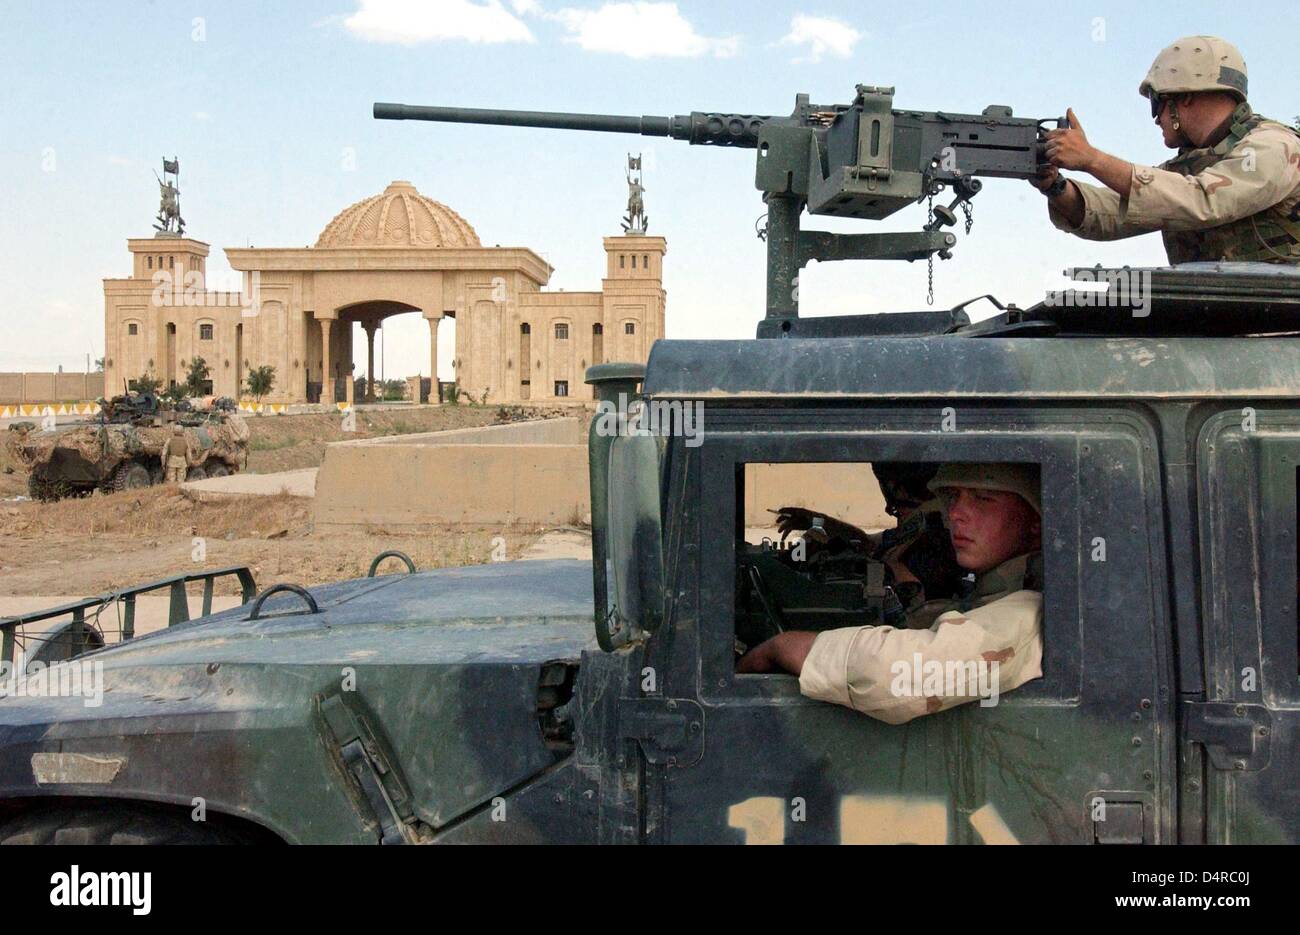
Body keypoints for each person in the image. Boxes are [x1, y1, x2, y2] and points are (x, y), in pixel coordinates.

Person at [739, 463, 1044, 724]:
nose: (956, 514)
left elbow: (894, 672)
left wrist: (780, 647)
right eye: (952, 497)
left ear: (1036, 522)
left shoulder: (1032, 610)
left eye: (983, 498)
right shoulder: (1002, 586)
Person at [1033, 36, 1300, 264]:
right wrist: (1055, 186)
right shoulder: (1190, 168)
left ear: (1183, 97)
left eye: (1156, 103)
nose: (1156, 118)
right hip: (1220, 314)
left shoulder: (1274, 146)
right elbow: (1110, 214)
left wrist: (1092, 159)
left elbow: (1203, 201)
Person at [773, 462, 964, 611]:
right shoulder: (920, 526)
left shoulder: (932, 536)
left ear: (894, 487)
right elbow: (867, 543)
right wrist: (818, 521)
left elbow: (918, 608)